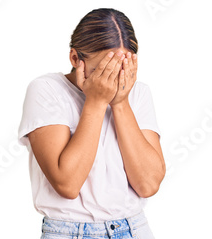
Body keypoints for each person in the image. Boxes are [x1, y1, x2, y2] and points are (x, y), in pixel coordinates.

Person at [17, 8, 165, 239]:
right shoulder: (46, 90)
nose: (112, 82)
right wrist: (96, 102)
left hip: (135, 229)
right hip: (69, 232)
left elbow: (148, 185)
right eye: (102, 72)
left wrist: (120, 104)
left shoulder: (138, 93)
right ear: (76, 59)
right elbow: (67, 184)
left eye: (121, 71)